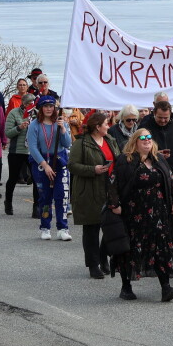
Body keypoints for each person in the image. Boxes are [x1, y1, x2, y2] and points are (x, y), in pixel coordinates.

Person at [108, 129, 173, 302]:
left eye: (150, 137)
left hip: (158, 213)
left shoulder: (159, 159)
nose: (147, 140)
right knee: (131, 249)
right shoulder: (125, 161)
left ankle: (166, 288)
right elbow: (113, 182)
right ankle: (126, 287)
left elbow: (171, 181)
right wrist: (114, 204)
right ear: (135, 141)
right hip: (134, 213)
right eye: (143, 138)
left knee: (161, 248)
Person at [69, 112, 120, 279]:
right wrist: (93, 170)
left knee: (110, 226)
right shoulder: (81, 143)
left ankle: (104, 256)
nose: (108, 126)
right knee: (91, 229)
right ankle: (93, 264)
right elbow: (72, 166)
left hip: (109, 189)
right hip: (89, 190)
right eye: (106, 123)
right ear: (97, 127)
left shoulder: (110, 140)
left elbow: (118, 160)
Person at [27, 95, 72, 240]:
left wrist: (63, 130)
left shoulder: (61, 123)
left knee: (61, 196)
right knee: (45, 196)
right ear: (40, 108)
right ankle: (45, 227)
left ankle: (62, 228)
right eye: (45, 106)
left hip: (59, 161)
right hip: (42, 162)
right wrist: (44, 165)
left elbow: (67, 144)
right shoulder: (34, 125)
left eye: (51, 106)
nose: (48, 109)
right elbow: (33, 148)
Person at [144, 101, 173, 239]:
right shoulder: (145, 127)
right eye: (160, 118)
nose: (163, 121)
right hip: (153, 172)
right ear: (154, 114)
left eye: (166, 118)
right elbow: (138, 151)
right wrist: (155, 153)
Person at [5, 93, 37, 216]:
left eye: (33, 103)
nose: (31, 106)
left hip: (32, 152)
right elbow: (8, 133)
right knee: (13, 178)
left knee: (35, 178)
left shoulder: (37, 114)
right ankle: (8, 202)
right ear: (23, 104)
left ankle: (36, 207)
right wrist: (19, 128)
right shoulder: (14, 113)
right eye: (28, 103)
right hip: (16, 151)